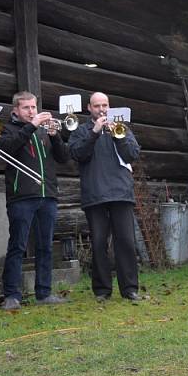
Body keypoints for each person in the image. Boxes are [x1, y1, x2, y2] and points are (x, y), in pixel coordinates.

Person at [0, 91, 70, 310]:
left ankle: (43, 293)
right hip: (22, 196)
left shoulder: (44, 131)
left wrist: (55, 135)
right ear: (16, 111)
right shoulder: (6, 129)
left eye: (34, 107)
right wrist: (32, 125)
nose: (31, 111)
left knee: (45, 246)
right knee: (17, 246)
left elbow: (64, 157)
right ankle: (11, 295)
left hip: (47, 195)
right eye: (26, 108)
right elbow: (7, 148)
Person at [69, 92, 141, 302]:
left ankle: (130, 289)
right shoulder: (81, 130)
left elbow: (132, 154)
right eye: (97, 106)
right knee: (99, 242)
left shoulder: (121, 128)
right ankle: (102, 290)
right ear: (89, 109)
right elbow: (77, 154)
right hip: (95, 194)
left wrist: (117, 136)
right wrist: (94, 132)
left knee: (126, 241)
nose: (102, 109)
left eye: (105, 105)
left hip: (121, 193)